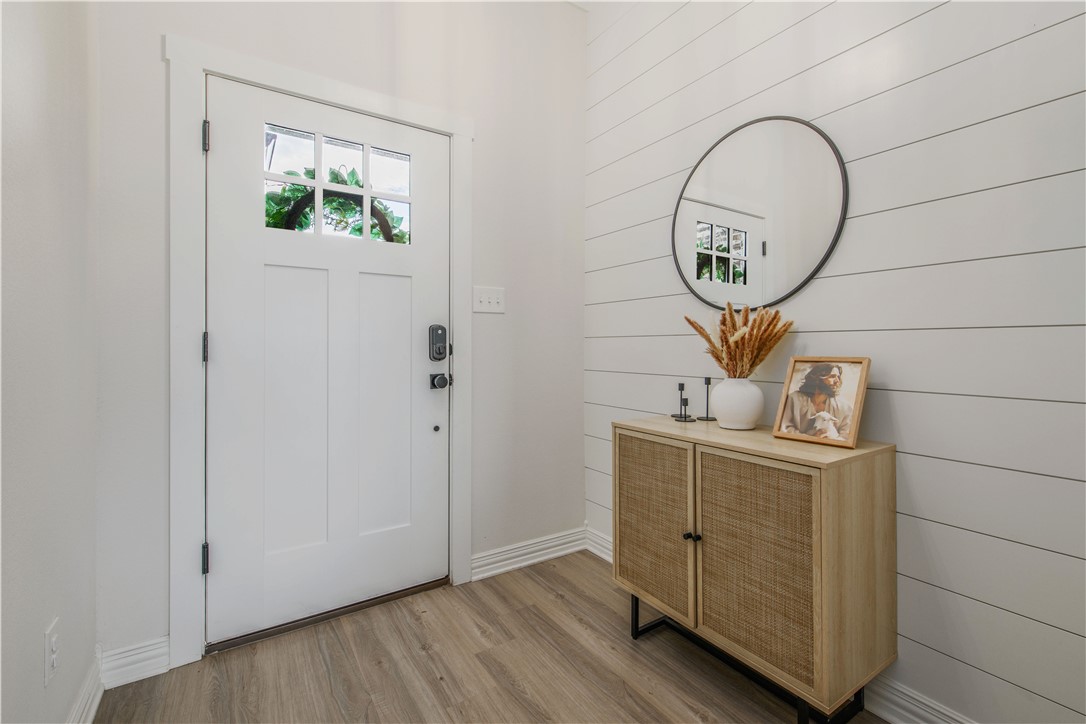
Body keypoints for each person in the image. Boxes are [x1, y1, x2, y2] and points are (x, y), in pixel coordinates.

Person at [780, 363, 852, 440]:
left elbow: (846, 436)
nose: (837, 381)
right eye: (832, 376)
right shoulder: (793, 399)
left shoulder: (844, 407)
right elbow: (784, 428)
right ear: (817, 378)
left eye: (838, 377)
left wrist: (829, 440)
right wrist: (810, 439)